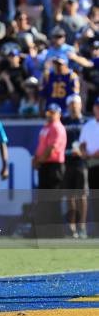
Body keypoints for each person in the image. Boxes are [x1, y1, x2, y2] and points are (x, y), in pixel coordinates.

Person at [33, 103, 67, 235]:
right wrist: (36, 158)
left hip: (54, 167)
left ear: (59, 114)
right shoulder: (46, 127)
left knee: (53, 198)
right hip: (45, 165)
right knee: (43, 199)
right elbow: (41, 146)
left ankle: (57, 231)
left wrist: (39, 160)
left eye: (52, 112)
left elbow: (52, 148)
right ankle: (43, 229)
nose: (50, 115)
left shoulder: (58, 128)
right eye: (48, 112)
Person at [61, 95, 88, 238]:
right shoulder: (63, 122)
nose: (73, 106)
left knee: (82, 195)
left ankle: (82, 226)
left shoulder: (86, 122)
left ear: (80, 105)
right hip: (67, 162)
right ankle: (71, 227)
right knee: (69, 196)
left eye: (76, 104)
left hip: (82, 163)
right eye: (71, 104)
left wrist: (83, 152)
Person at [79, 97, 99, 232]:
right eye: (98, 106)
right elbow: (82, 144)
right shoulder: (89, 125)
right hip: (91, 166)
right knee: (94, 198)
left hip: (94, 161)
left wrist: (90, 155)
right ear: (94, 108)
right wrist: (84, 153)